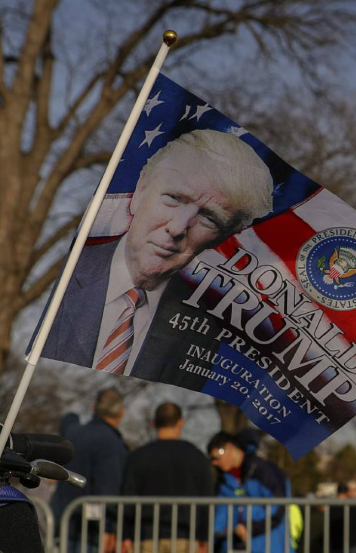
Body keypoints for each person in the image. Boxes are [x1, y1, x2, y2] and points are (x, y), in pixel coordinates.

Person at [45, 129, 274, 380]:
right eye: (174, 198)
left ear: (225, 237)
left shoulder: (208, 334)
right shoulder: (60, 273)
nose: (177, 228)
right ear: (141, 188)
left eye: (209, 218)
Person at [119, 403, 214, 553]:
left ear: (154, 422)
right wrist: (205, 537)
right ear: (180, 422)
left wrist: (125, 535)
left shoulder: (138, 456)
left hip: (146, 536)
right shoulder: (197, 456)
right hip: (186, 538)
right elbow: (207, 500)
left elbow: (127, 498)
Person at [50, 388, 128, 553]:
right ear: (121, 413)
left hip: (62, 521)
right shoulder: (112, 444)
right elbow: (107, 488)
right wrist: (108, 528)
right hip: (90, 530)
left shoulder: (73, 433)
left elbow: (68, 420)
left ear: (94, 408)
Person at [209, 432, 290, 553]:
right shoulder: (224, 480)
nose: (214, 463)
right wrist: (216, 539)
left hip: (266, 545)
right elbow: (220, 516)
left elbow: (277, 507)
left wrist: (250, 528)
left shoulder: (262, 471)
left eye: (216, 457)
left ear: (229, 447)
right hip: (233, 546)